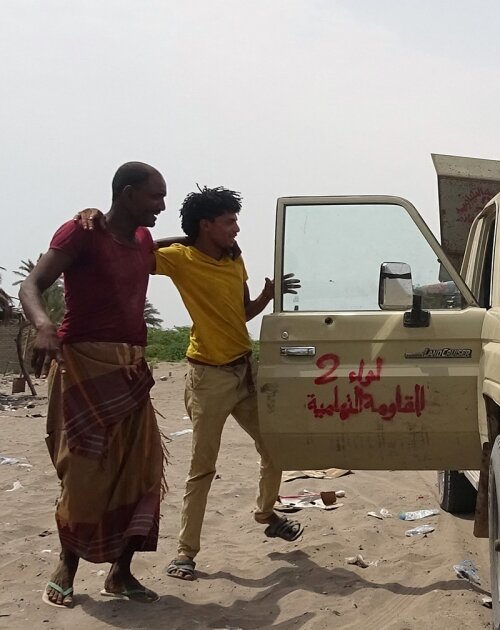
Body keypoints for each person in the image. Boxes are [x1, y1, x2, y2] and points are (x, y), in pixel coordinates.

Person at [79, 186, 302, 582]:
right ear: (206, 225)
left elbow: (241, 313)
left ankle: (266, 513)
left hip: (244, 371)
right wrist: (184, 238)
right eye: (229, 222)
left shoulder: (234, 258)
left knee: (276, 448)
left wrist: (268, 295)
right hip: (208, 377)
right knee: (203, 468)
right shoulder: (180, 258)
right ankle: (186, 552)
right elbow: (136, 248)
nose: (236, 229)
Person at [21, 161, 168, 608]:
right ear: (127, 193)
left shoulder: (142, 239)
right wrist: (44, 326)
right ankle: (65, 568)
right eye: (155, 197)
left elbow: (166, 246)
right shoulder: (81, 232)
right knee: (84, 473)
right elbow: (31, 285)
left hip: (131, 370)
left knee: (142, 473)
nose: (162, 206)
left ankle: (121, 574)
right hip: (83, 367)